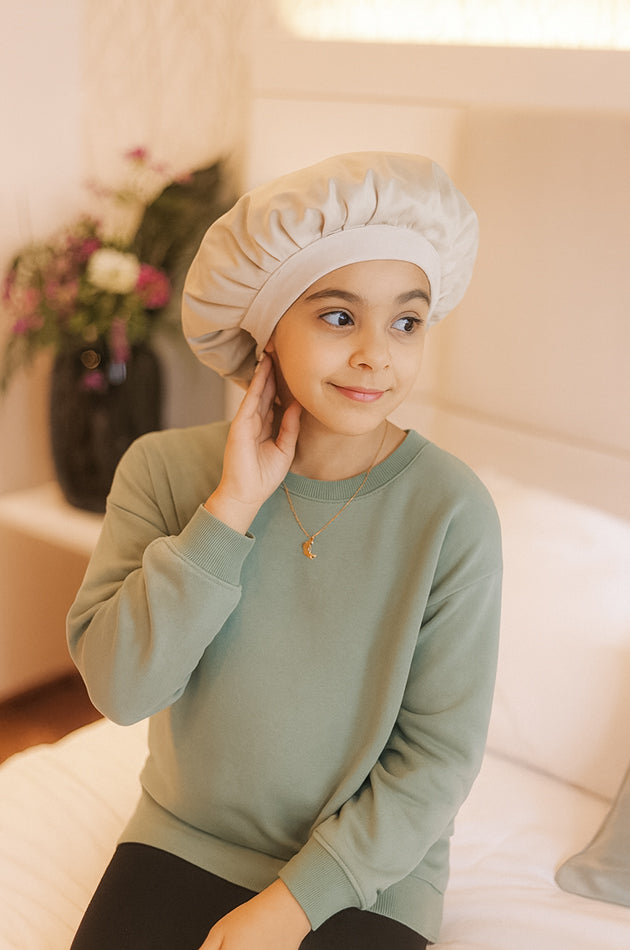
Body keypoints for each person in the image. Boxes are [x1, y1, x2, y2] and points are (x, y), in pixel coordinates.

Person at [67, 151, 502, 950]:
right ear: (266, 330)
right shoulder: (164, 471)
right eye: (339, 316)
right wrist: (229, 507)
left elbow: (436, 759)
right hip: (183, 835)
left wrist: (292, 905)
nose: (378, 353)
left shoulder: (452, 512)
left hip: (370, 876)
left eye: (406, 321)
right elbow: (121, 690)